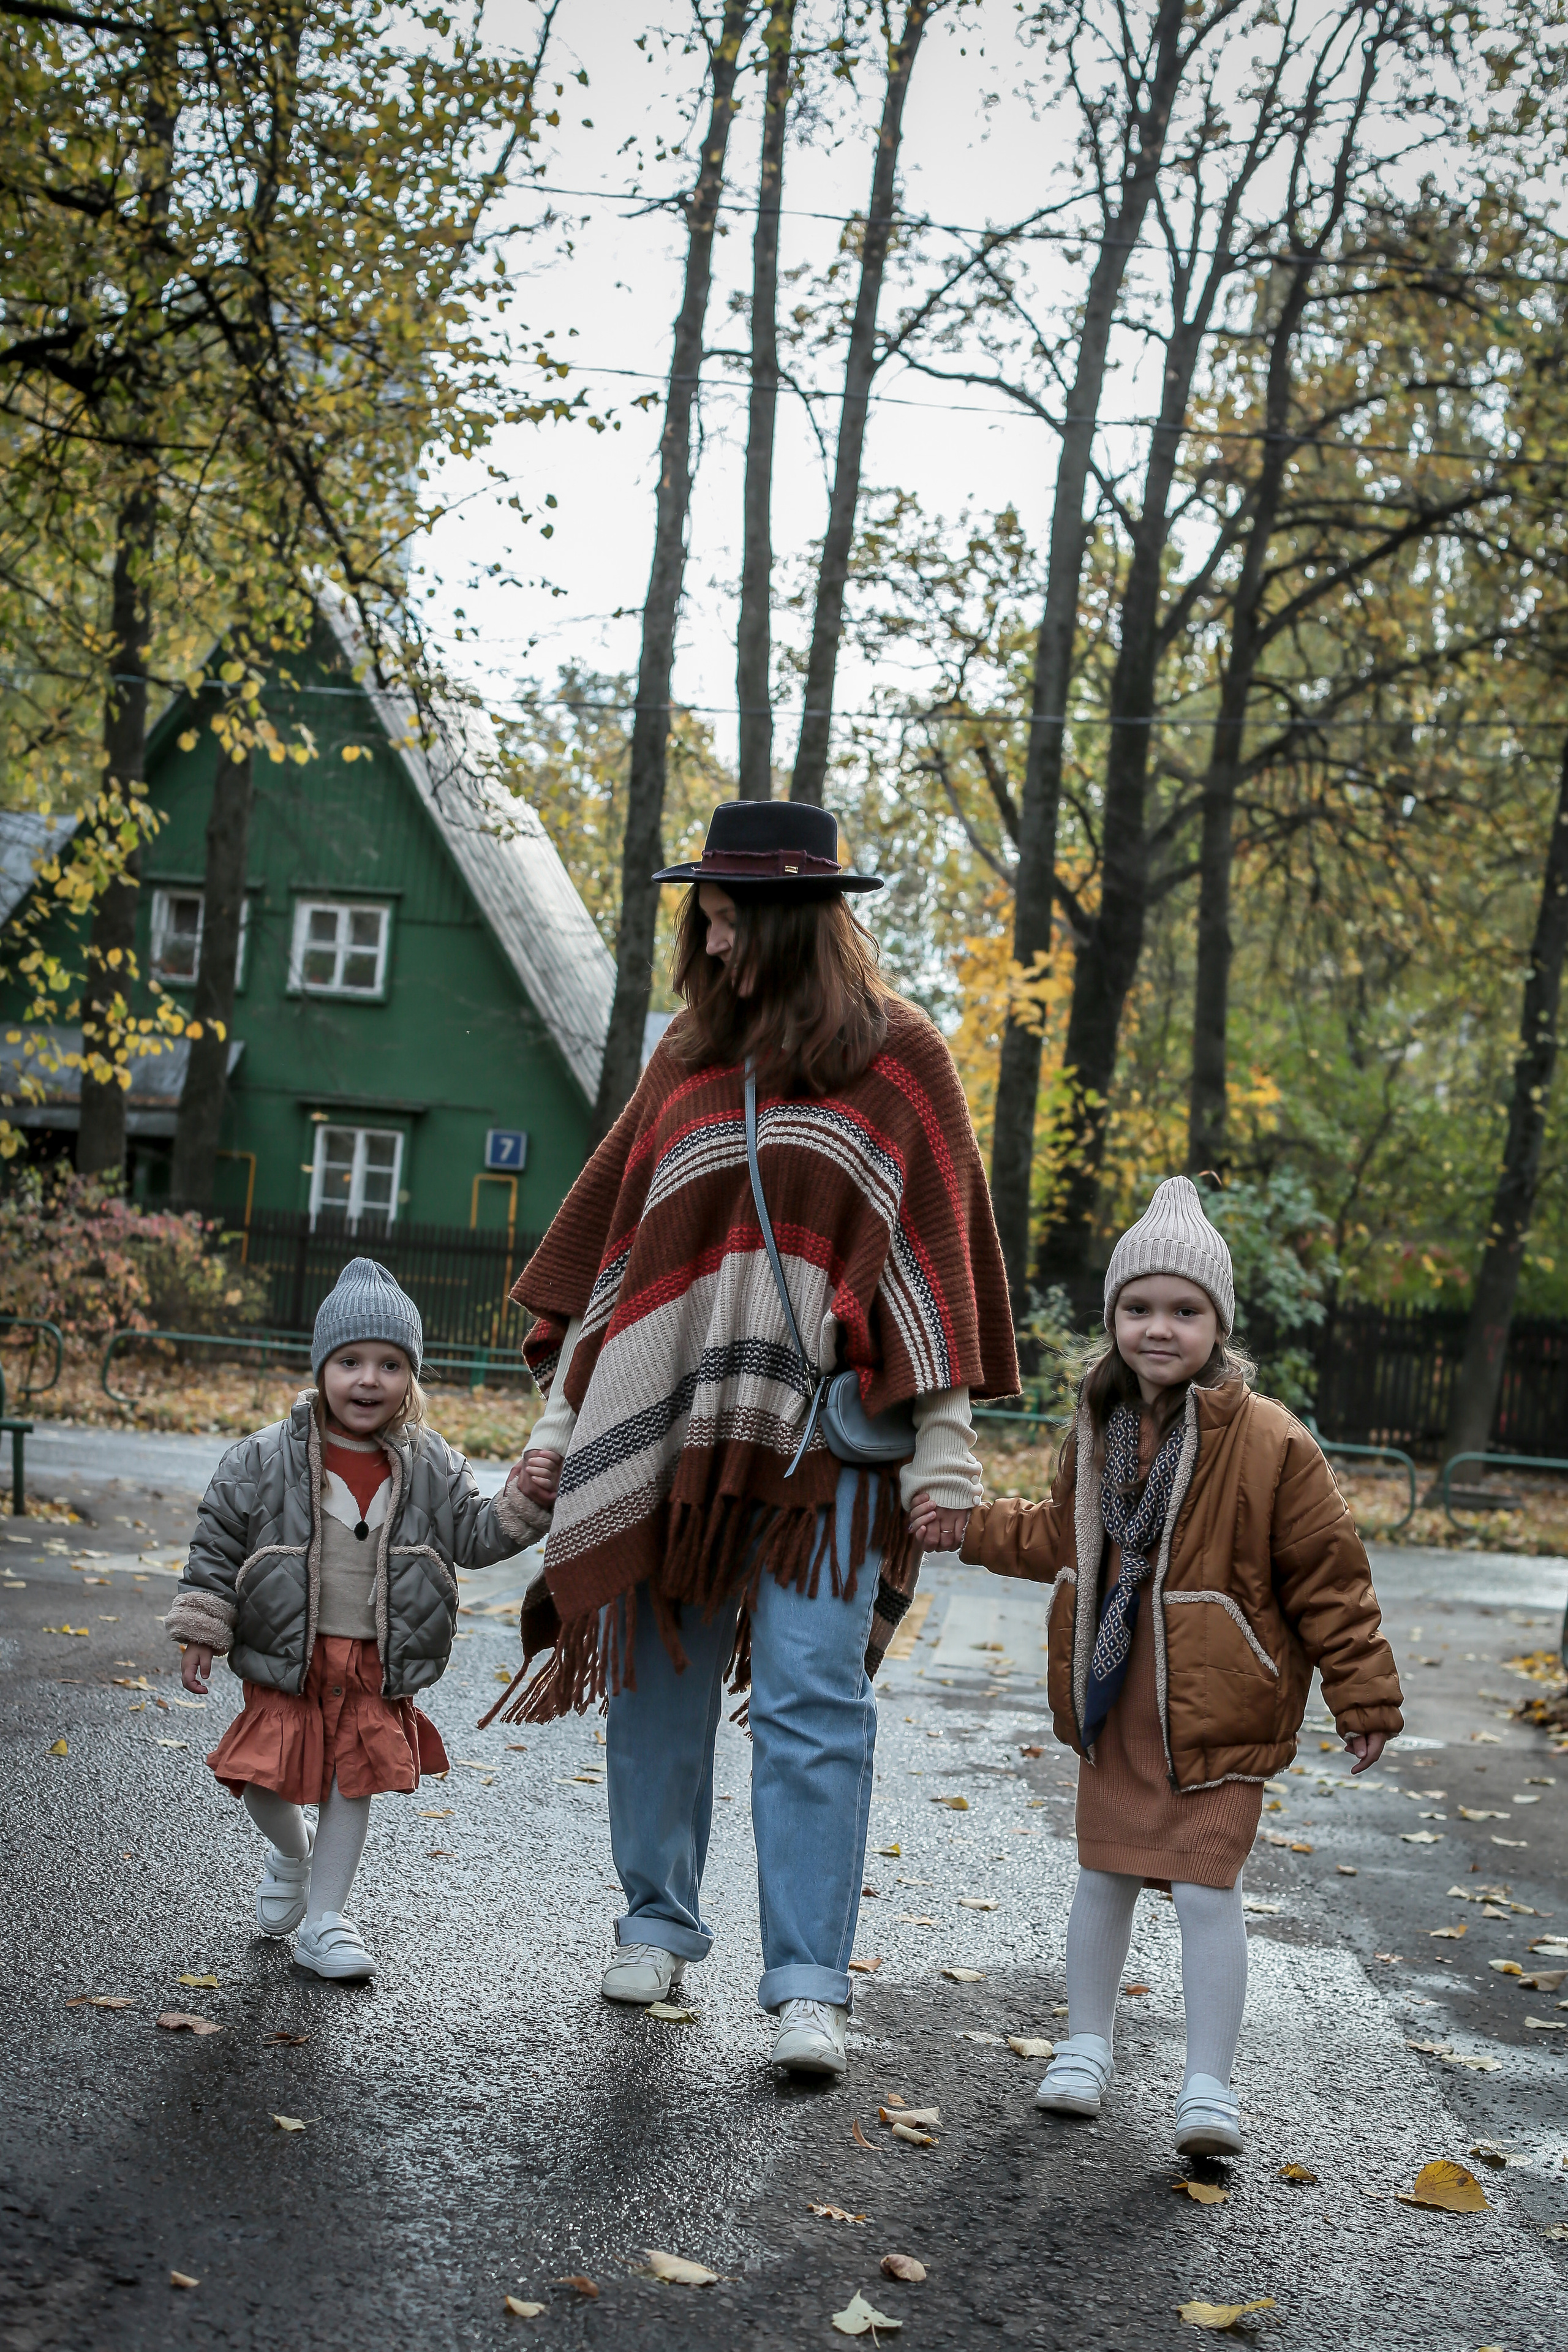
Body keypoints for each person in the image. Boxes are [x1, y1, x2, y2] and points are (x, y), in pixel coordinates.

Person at [494, 799, 1017, 2078]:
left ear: (788, 925)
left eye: (727, 922)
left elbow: (930, 1262)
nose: (710, 946)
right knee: (661, 1678)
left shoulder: (902, 1060)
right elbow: (623, 1258)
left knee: (808, 1702)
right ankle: (654, 1925)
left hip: (824, 1447)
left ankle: (805, 1987)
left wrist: (944, 1449)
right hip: (672, 1435)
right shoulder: (685, 1056)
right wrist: (564, 1423)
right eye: (702, 922)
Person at [911, 1175, 1403, 2155]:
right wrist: (968, 1527)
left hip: (1216, 1707)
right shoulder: (1098, 1428)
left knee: (1208, 1889)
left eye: (1185, 1310)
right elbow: (1063, 1534)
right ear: (1114, 1321)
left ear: (1218, 1325)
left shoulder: (1269, 1443)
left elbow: (1329, 1577)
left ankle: (1207, 2086)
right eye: (1138, 1308)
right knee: (1104, 1875)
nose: (1159, 1328)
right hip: (1117, 1693)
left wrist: (1363, 1693)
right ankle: (1085, 2047)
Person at [164, 1258, 546, 1980]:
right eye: (350, 1362)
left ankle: (327, 1920)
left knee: (352, 1782)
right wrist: (202, 1626)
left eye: (390, 1364)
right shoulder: (262, 1458)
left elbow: (476, 1535)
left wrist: (527, 1498)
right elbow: (216, 1543)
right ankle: (293, 1851)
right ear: (322, 1368)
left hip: (375, 1660)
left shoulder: (430, 1463)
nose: (368, 1380)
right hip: (289, 1650)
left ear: (411, 1377)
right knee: (266, 1780)